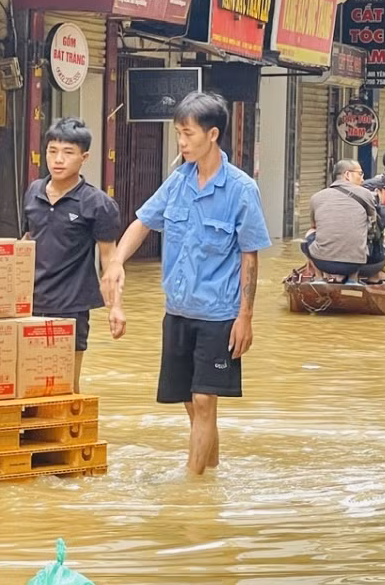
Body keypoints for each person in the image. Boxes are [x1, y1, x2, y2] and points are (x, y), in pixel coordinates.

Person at [101, 92, 270, 476]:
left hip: (218, 314)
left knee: (205, 399)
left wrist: (245, 317)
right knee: (192, 404)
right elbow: (142, 222)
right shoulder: (178, 182)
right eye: (178, 132)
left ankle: (191, 486)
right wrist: (116, 262)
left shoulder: (241, 190)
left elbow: (250, 256)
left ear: (212, 134)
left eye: (188, 133)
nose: (181, 141)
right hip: (178, 310)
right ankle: (211, 472)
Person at [23, 118, 125, 392]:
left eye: (68, 152)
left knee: (66, 386)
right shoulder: (33, 192)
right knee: (27, 384)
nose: (58, 159)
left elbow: (110, 260)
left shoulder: (98, 204)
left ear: (84, 157)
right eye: (52, 151)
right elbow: (26, 242)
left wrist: (115, 307)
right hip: (29, 304)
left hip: (71, 307)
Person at [302, 160, 385, 282]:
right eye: (360, 174)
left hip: (322, 263)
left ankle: (319, 277)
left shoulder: (316, 197)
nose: (363, 179)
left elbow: (314, 227)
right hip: (356, 264)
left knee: (310, 232)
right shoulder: (366, 194)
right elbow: (373, 226)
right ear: (347, 175)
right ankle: (356, 279)